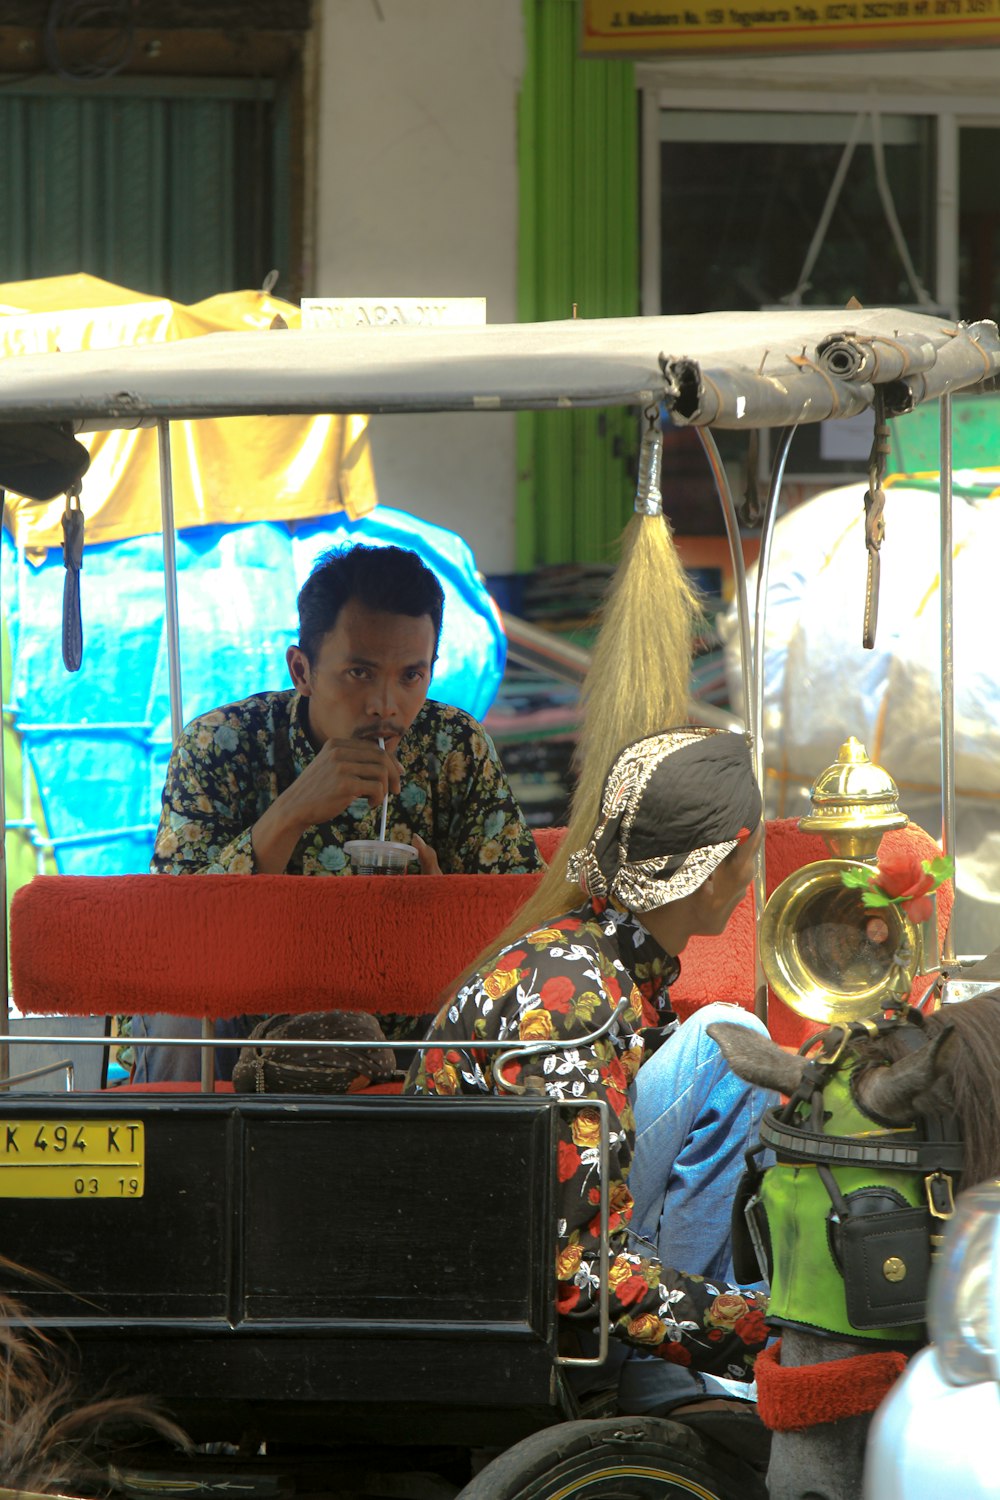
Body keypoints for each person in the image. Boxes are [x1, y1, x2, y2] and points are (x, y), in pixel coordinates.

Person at [405, 725, 773, 1402]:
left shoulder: (589, 953)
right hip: (491, 1280)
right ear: (733, 859)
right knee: (733, 1041)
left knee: (726, 1038)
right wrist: (762, 1330)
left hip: (503, 1235)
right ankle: (672, 1370)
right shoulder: (575, 997)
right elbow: (573, 1270)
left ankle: (681, 1358)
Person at [132, 543, 541, 1082]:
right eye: (359, 673)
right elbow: (172, 934)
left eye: (411, 676)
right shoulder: (222, 745)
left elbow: (530, 920)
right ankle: (182, 1155)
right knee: (177, 1001)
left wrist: (445, 908)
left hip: (408, 1029)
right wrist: (289, 813)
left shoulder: (453, 748)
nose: (385, 704)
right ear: (302, 669)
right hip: (246, 1019)